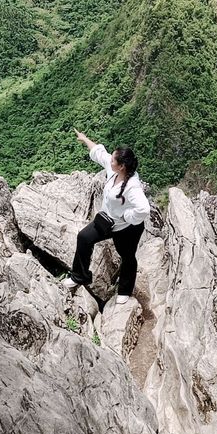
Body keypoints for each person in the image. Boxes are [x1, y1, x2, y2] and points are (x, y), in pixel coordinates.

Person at [63, 128, 150, 306]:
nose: (110, 160)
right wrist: (85, 139)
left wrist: (127, 217)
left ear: (122, 166)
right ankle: (79, 276)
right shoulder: (114, 172)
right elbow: (100, 153)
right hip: (106, 221)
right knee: (84, 237)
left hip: (127, 229)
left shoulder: (132, 186)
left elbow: (143, 209)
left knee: (127, 256)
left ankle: (125, 290)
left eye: (113, 159)